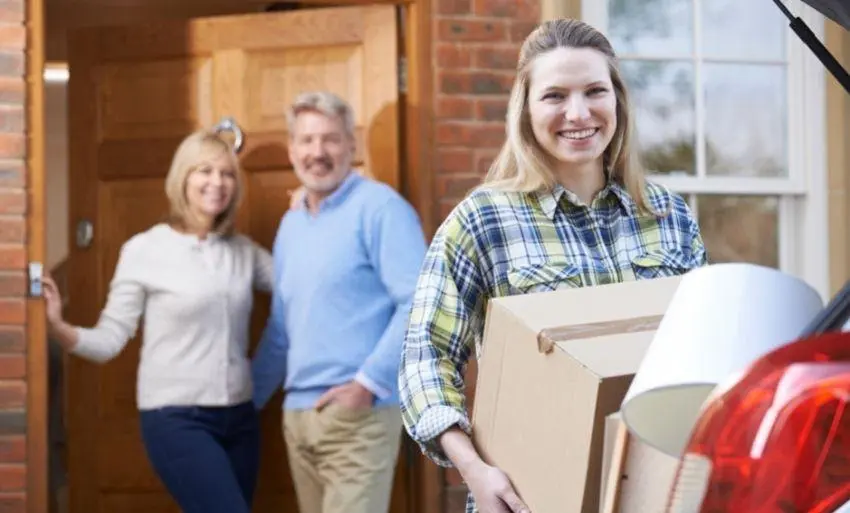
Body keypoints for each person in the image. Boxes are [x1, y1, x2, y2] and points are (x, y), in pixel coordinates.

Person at [398, 18, 709, 513]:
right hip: (530, 498)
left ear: (617, 101)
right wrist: (474, 470)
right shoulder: (482, 221)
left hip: (652, 490)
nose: (578, 113)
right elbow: (425, 360)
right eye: (555, 96)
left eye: (594, 91)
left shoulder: (669, 218)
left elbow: (701, 353)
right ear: (526, 108)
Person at [41, 129, 272, 513]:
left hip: (241, 419)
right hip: (177, 419)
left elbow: (301, 289)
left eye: (227, 173)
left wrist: (307, 213)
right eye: (205, 171)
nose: (218, 182)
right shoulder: (145, 250)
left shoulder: (244, 252)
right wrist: (58, 328)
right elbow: (111, 338)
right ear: (183, 178)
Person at [251, 90, 427, 513]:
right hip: (297, 417)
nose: (318, 152)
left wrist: (367, 385)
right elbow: (281, 327)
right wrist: (246, 402)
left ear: (352, 145)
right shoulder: (291, 225)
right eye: (307, 141)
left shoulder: (381, 208)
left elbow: (418, 303)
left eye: (330, 139)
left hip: (358, 417)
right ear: (292, 150)